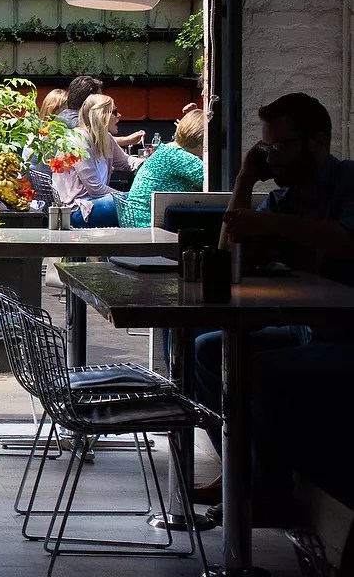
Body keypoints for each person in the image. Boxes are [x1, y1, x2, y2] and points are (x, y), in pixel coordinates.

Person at [191, 92, 354, 515]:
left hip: (347, 335)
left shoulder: (349, 182)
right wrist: (245, 180)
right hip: (310, 329)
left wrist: (273, 224)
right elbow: (228, 259)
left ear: (318, 142)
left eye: (280, 145)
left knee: (262, 371)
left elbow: (345, 239)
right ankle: (243, 473)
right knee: (207, 350)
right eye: (266, 147)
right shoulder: (285, 198)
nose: (272, 158)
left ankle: (268, 493)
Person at [54, 93, 138, 227]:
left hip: (95, 202)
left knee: (143, 200)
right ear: (101, 115)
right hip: (77, 209)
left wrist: (148, 163)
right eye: (114, 112)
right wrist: (129, 197)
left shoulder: (106, 138)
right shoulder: (79, 140)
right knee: (139, 202)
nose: (119, 115)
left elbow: (125, 161)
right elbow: (95, 188)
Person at [117, 108, 206, 227]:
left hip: (136, 221)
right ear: (202, 140)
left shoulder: (167, 149)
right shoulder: (181, 158)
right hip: (148, 225)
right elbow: (213, 183)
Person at [57, 73, 145, 149]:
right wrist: (128, 140)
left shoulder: (68, 115)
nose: (102, 101)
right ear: (89, 100)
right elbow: (96, 139)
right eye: (99, 97)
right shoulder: (73, 121)